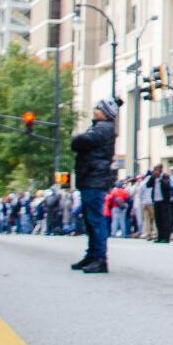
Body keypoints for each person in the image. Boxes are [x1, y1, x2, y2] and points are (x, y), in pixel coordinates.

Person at [70, 99, 118, 274]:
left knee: (95, 220)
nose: (95, 110)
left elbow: (81, 141)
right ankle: (92, 255)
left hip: (94, 178)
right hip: (90, 178)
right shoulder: (99, 127)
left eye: (98, 108)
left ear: (105, 113)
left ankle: (99, 258)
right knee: (90, 220)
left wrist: (75, 139)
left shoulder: (103, 129)